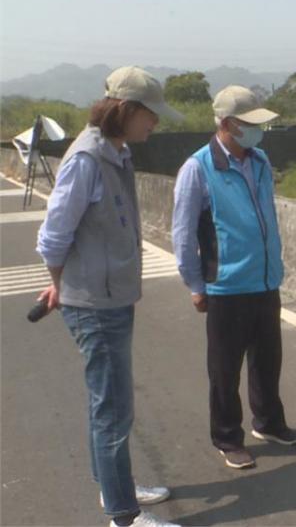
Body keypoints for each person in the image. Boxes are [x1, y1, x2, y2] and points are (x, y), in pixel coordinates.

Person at [35, 66, 181, 527]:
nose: (155, 123)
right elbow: (52, 236)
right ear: (125, 110)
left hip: (109, 297)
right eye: (150, 114)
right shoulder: (86, 160)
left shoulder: (115, 153)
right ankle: (123, 515)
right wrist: (62, 283)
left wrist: (65, 283)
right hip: (96, 305)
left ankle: (112, 486)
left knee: (107, 403)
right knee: (113, 408)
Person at [172, 85, 296, 470]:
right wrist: (195, 285)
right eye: (250, 124)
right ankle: (228, 437)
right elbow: (182, 234)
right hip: (225, 285)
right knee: (224, 370)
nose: (257, 132)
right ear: (228, 124)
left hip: (264, 281)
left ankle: (269, 422)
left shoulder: (260, 160)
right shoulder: (198, 168)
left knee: (268, 361)